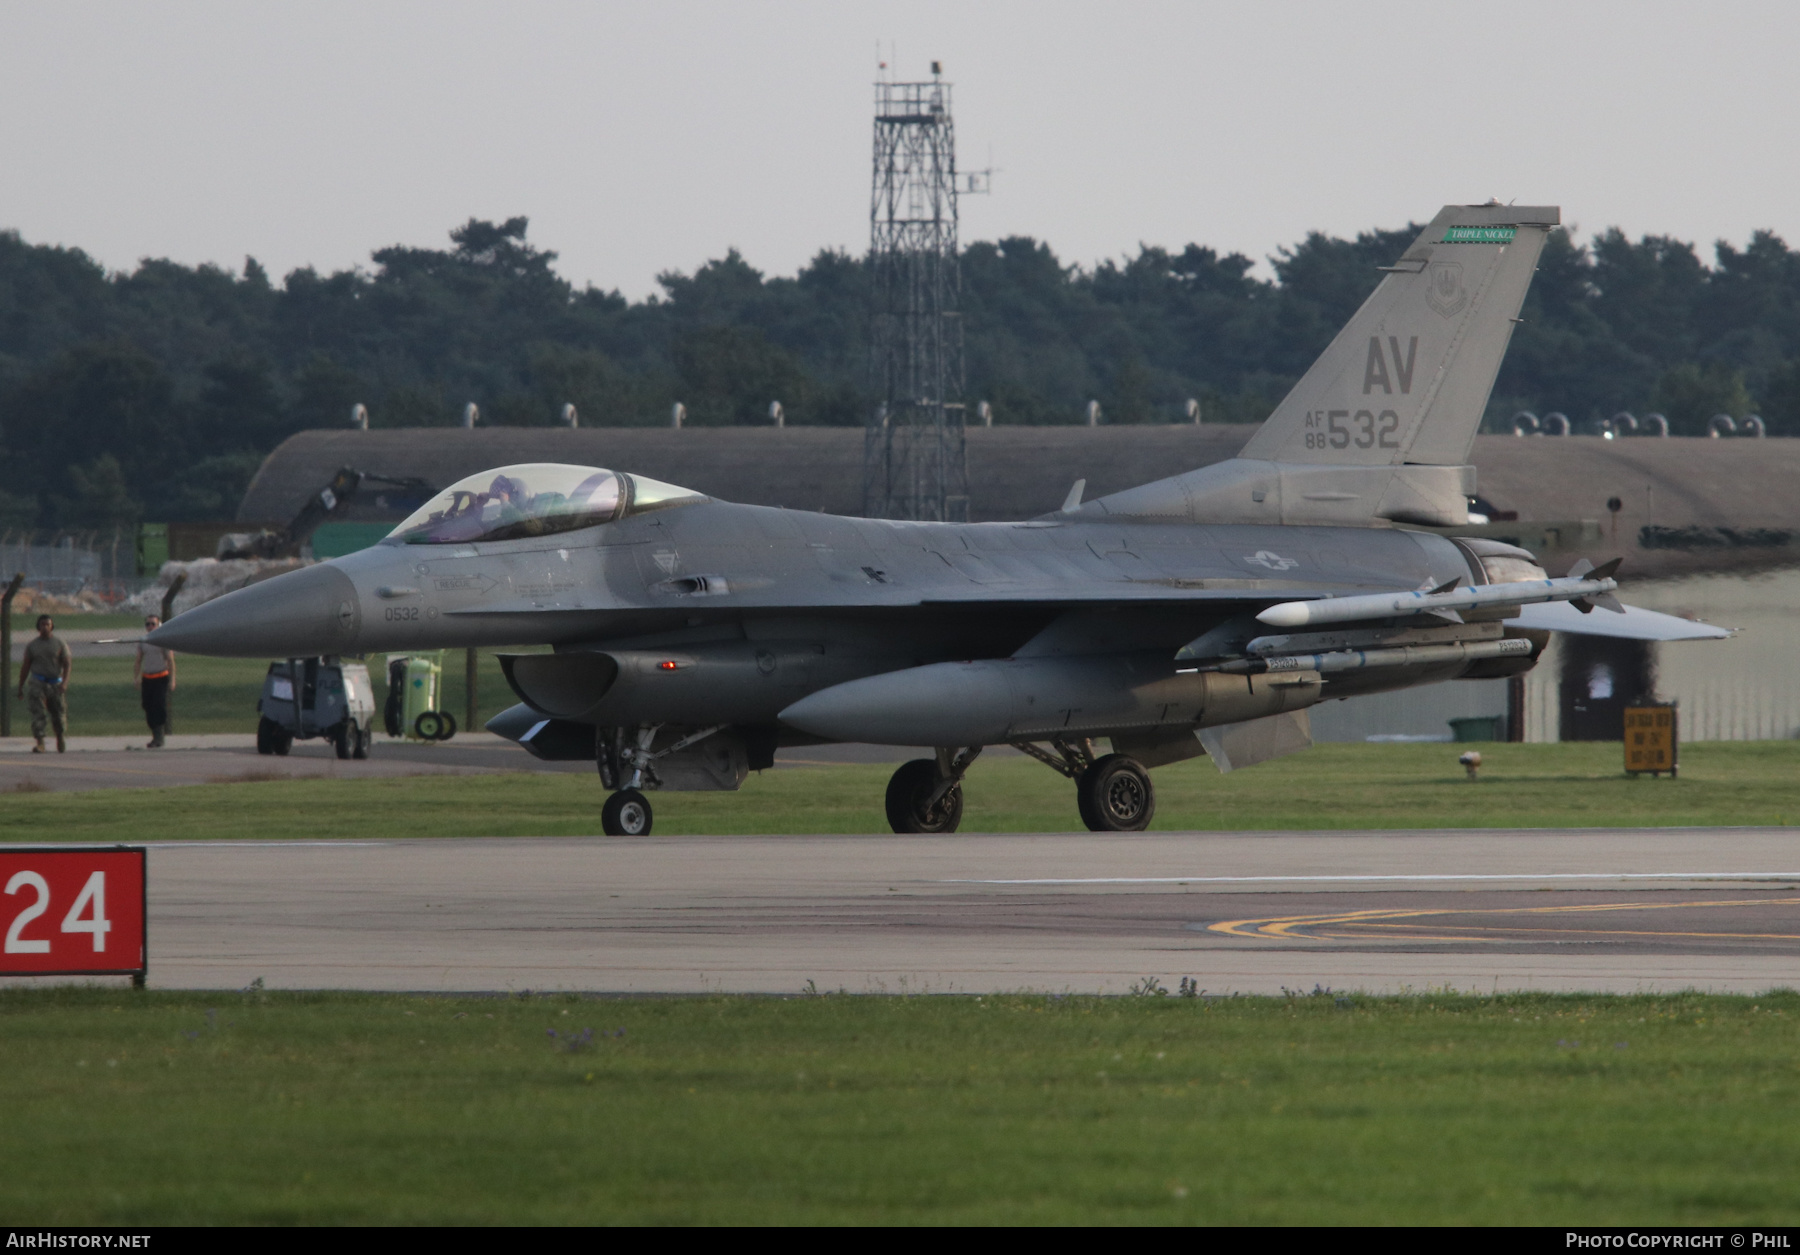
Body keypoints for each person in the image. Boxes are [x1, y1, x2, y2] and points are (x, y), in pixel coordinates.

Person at [18, 614, 71, 754]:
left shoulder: (59, 643)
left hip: (55, 683)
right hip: (38, 682)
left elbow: (67, 664)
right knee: (38, 712)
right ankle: (40, 742)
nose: (45, 627)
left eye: (48, 624)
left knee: (58, 713)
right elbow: (26, 666)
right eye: (42, 624)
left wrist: (64, 683)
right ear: (38, 626)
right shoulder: (32, 646)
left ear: (52, 626)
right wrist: (20, 686)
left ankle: (60, 737)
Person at [134, 615, 176, 749]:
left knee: (159, 706)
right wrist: (136, 677)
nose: (150, 627)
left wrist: (172, 680)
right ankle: (155, 736)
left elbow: (170, 661)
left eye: (153, 624)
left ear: (158, 625)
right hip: (148, 678)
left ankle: (159, 737)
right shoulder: (143, 641)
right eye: (148, 624)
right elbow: (139, 660)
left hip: (160, 677)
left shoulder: (163, 641)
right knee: (148, 706)